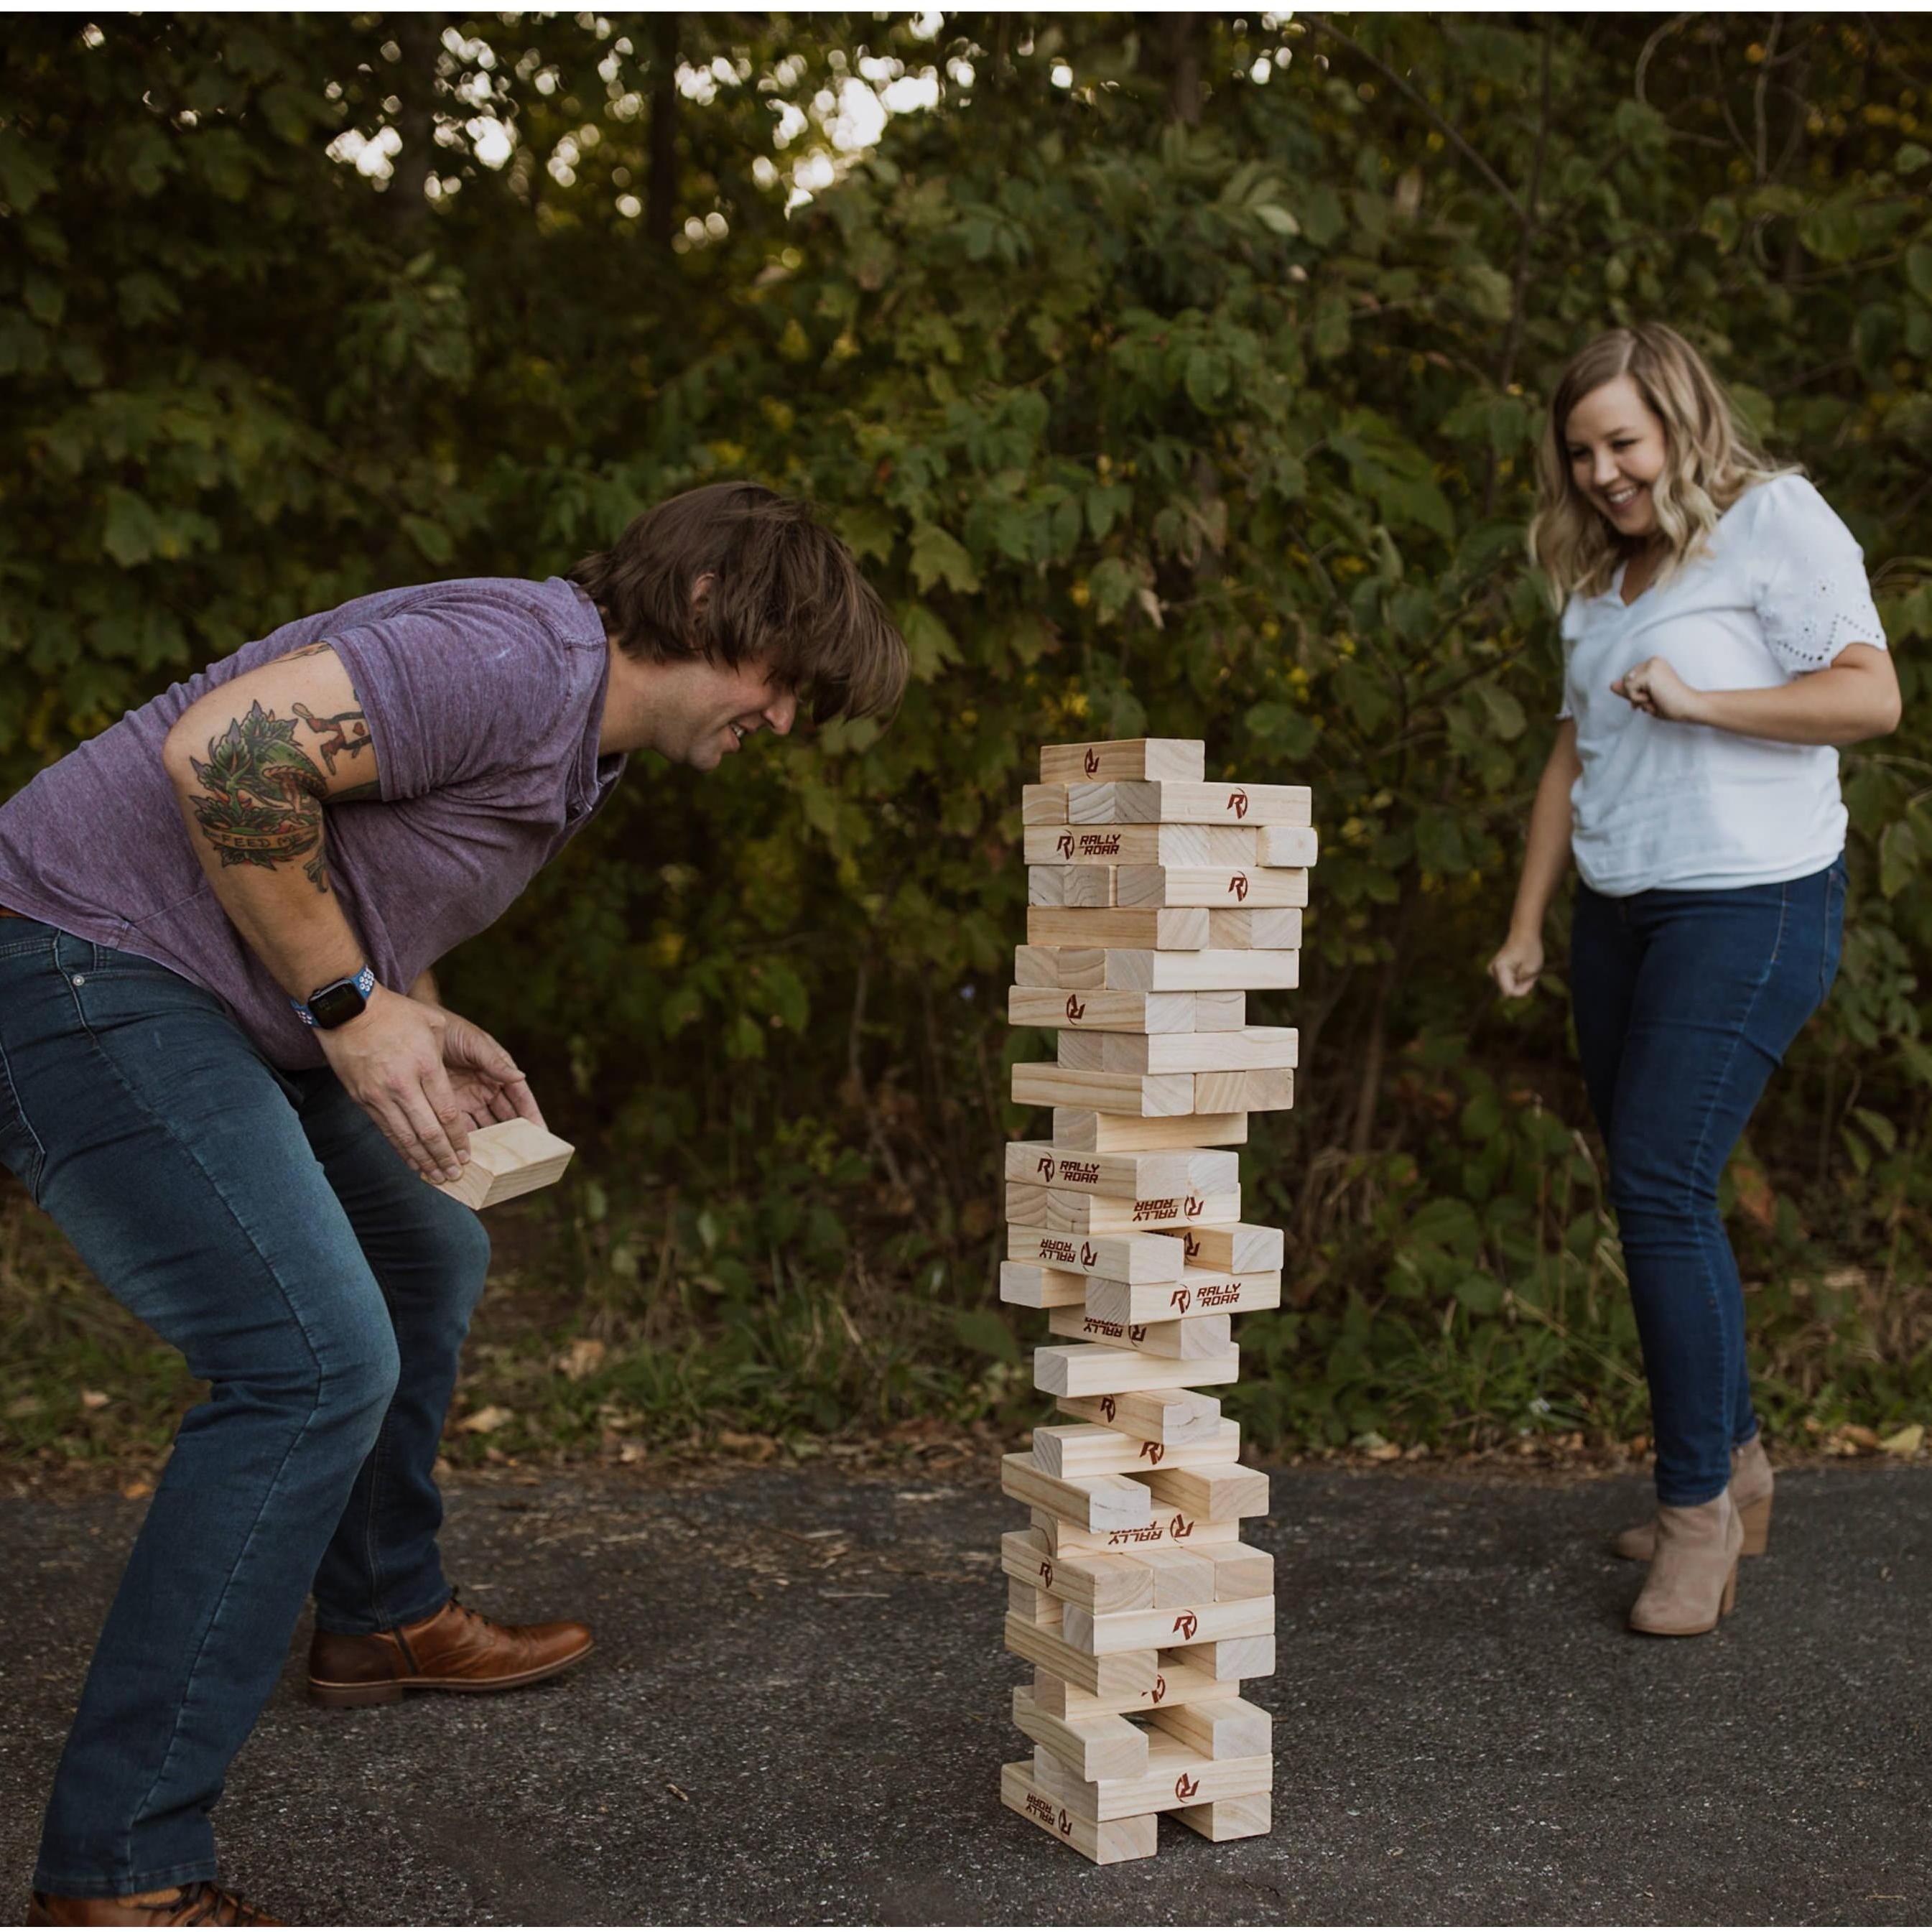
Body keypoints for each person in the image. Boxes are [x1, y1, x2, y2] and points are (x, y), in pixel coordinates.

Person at [0, 482, 907, 1926]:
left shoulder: (565, 727)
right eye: (784, 681)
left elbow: (342, 843)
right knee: (306, 1362)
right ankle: (118, 1871)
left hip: (210, 993)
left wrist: (417, 1008)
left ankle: (379, 1616)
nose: (785, 722)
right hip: (79, 965)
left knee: (424, 1244)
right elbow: (224, 755)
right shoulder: (522, 661)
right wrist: (354, 1012)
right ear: (706, 604)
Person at [1488, 324, 1899, 1638]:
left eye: (1622, 440)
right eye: (1580, 451)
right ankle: (1740, 1462)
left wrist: (1705, 703)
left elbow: (1869, 697)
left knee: (1661, 1185)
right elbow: (1569, 760)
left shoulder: (1774, 522)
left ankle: (1695, 1518)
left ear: (1677, 420)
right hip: (1622, 912)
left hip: (1755, 899)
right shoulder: (1599, 585)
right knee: (1651, 1183)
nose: (1603, 470)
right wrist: (1527, 923)